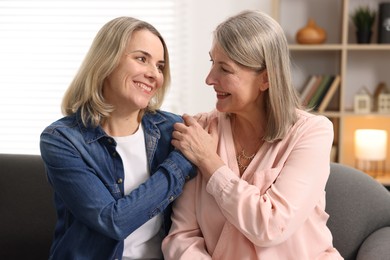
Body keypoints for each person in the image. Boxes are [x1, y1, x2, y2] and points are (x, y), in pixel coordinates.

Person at [162, 10, 343, 259]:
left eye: (225, 69)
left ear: (265, 79)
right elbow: (182, 238)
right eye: (212, 63)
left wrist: (210, 162)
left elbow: (271, 226)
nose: (209, 79)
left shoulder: (312, 132)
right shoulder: (201, 131)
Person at [40, 16, 196, 260]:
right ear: (107, 61)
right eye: (142, 59)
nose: (154, 74)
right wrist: (182, 161)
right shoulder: (62, 140)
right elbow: (112, 221)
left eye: (160, 66)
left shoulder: (172, 129)